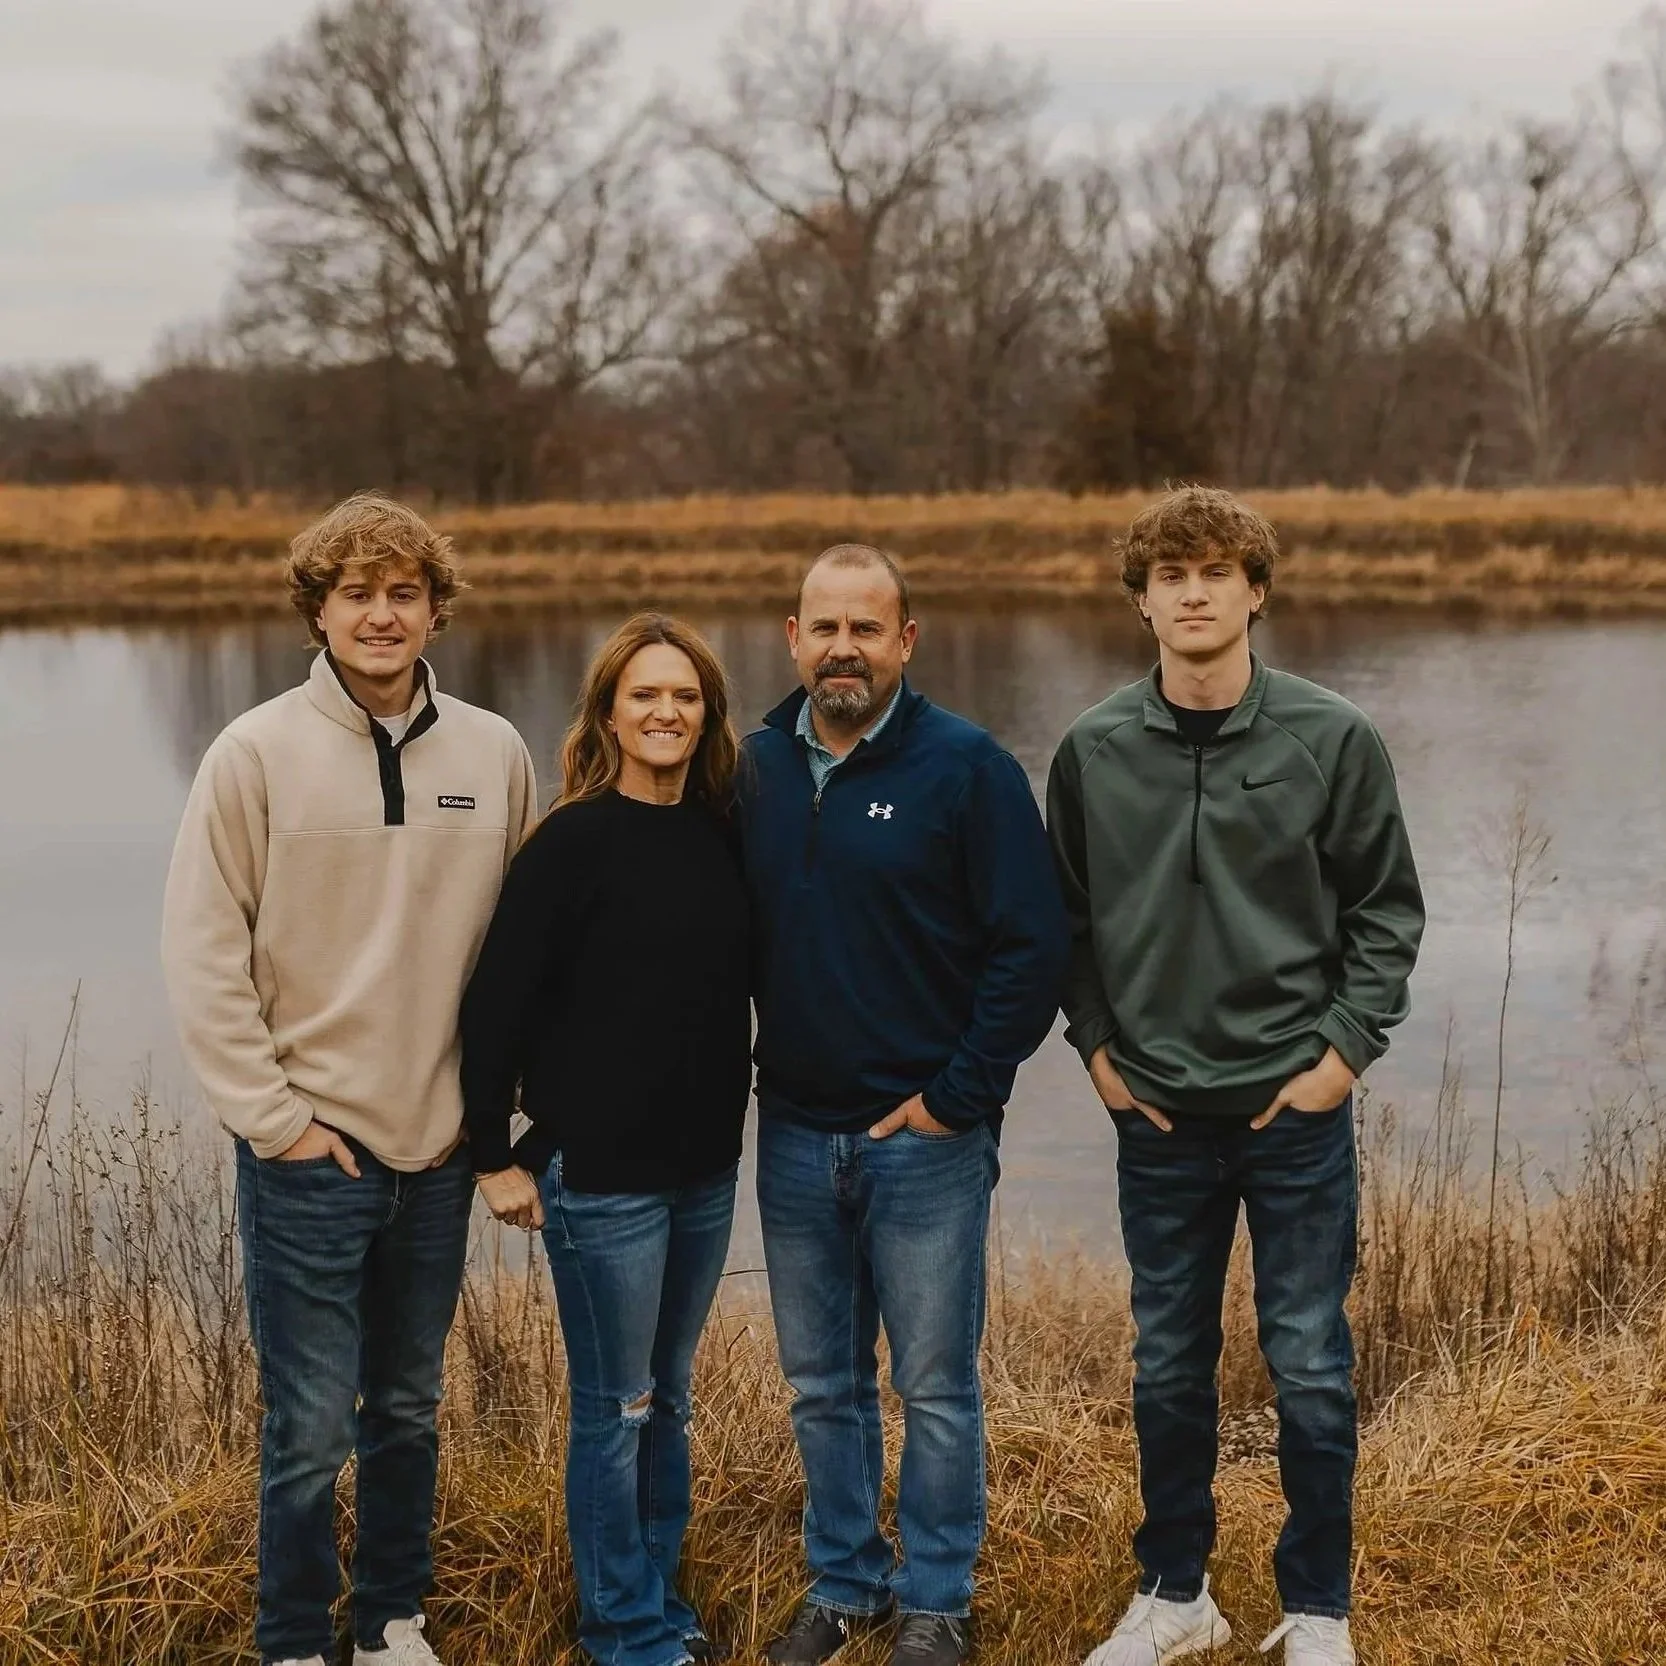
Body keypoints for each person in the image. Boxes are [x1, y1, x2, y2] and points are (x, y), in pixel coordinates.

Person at [1046, 487, 1425, 1666]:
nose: (1194, 593)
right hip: (1157, 1113)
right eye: (1171, 576)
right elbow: (1063, 921)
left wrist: (1338, 1057)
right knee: (1166, 1361)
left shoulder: (1331, 736)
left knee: (1309, 1357)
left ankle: (1316, 1609)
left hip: (1292, 1111)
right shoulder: (1094, 748)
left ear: (1255, 590)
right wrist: (1098, 1054)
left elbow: (1383, 912)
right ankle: (1176, 1593)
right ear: (1142, 599)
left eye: (1217, 572)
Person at [160, 493, 538, 1666]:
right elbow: (204, 949)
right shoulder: (255, 752)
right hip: (313, 1151)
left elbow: (529, 948)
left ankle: (388, 1623)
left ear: (435, 611)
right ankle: (290, 1640)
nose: (383, 614)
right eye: (357, 593)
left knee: (410, 1408)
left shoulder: (494, 751)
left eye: (404, 593)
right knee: (310, 1425)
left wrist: (502, 1126)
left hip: (438, 1153)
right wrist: (276, 1124)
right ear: (317, 610)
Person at [741, 544, 1069, 1666]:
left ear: (906, 640)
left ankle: (935, 1601)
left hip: (923, 1141)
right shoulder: (752, 770)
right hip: (789, 1134)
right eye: (824, 627)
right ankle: (846, 1586)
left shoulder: (967, 769)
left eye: (867, 628)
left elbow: (1032, 949)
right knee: (821, 1384)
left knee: (933, 1384)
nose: (844, 648)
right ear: (792, 637)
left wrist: (956, 1098)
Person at [460, 613, 751, 1666]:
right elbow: (496, 1007)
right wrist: (496, 1154)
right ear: (610, 715)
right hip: (607, 1188)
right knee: (615, 1407)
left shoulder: (721, 829)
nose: (666, 711)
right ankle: (620, 1630)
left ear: (708, 714)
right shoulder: (572, 842)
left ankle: (658, 1601)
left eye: (685, 696)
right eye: (646, 695)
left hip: (705, 1173)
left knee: (667, 1399)